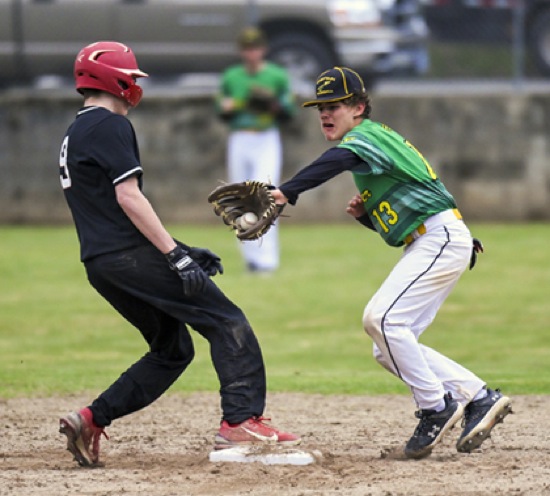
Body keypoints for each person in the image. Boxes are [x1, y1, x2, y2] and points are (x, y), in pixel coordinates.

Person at [57, 41, 299, 467]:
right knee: (226, 321)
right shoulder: (110, 125)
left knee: (172, 351)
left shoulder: (77, 130)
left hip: (101, 264)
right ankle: (241, 421)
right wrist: (175, 255)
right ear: (113, 79)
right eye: (131, 76)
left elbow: (109, 211)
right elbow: (128, 197)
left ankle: (90, 419)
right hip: (129, 256)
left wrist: (182, 249)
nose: (135, 85)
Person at [270, 66, 512, 459]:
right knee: (389, 346)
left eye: (335, 105)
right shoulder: (375, 146)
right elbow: (403, 225)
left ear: (358, 107)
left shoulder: (365, 136)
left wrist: (286, 191)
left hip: (439, 238)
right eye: (320, 107)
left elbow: (336, 160)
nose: (325, 113)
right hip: (434, 240)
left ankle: (436, 407)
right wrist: (366, 218)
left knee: (381, 319)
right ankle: (478, 397)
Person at [216, 26, 296, 273]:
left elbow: (289, 108)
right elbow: (222, 107)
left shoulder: (276, 76)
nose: (251, 53)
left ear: (263, 50)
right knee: (241, 197)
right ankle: (250, 256)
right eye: (247, 49)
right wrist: (234, 104)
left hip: (266, 137)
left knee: (265, 194)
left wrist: (273, 104)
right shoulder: (232, 77)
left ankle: (267, 260)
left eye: (255, 48)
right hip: (240, 136)